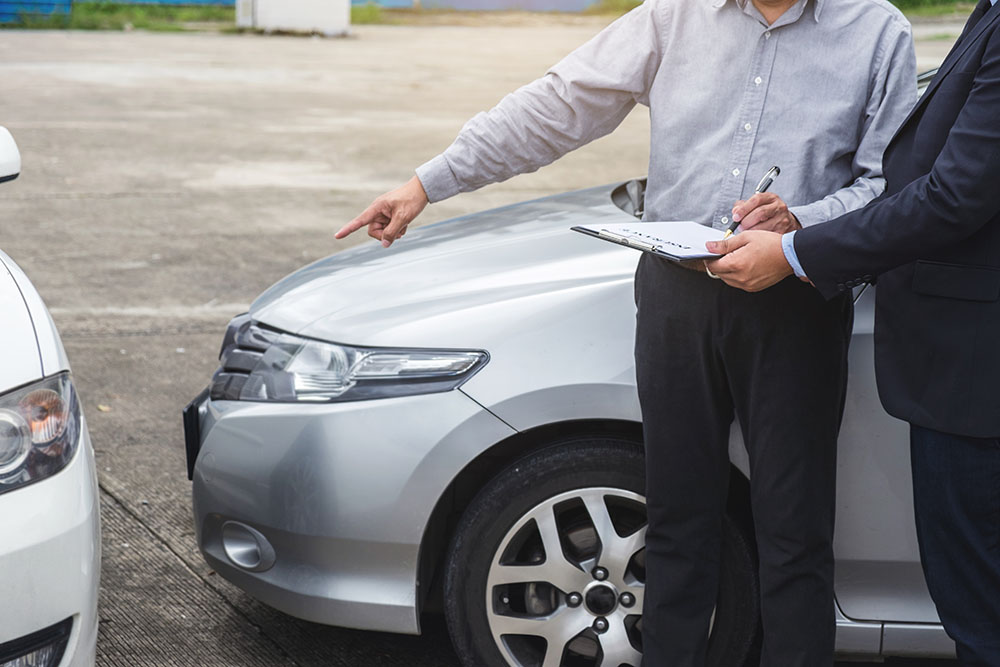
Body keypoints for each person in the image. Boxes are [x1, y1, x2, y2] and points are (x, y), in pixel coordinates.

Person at [335, 0, 916, 663]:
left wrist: (798, 229)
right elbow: (557, 104)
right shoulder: (674, 15)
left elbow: (888, 189)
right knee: (676, 525)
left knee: (795, 537)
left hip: (795, 303)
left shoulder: (877, 32)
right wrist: (426, 184)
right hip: (676, 297)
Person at [704, 1, 1000, 662]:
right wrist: (807, 228)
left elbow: (955, 195)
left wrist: (793, 255)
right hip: (965, 370)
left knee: (982, 614)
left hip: (976, 380)